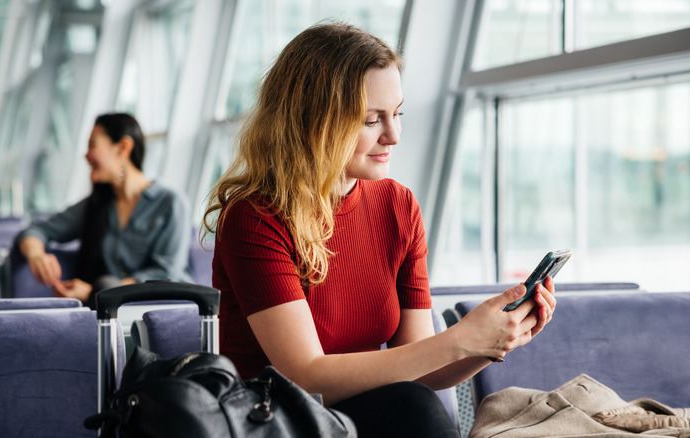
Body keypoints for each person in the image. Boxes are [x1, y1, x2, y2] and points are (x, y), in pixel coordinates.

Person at [202, 22, 557, 438]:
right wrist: (460, 338)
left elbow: (420, 367)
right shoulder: (255, 216)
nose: (394, 135)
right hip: (275, 420)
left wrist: (492, 342)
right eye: (372, 120)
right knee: (412, 408)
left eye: (398, 114)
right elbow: (306, 378)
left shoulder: (398, 206)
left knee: (413, 403)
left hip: (362, 418)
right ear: (315, 120)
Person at [15, 113, 192, 307]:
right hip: (117, 316)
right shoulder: (96, 205)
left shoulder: (172, 202)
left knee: (104, 283)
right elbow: (33, 231)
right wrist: (37, 256)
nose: (86, 155)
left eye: (93, 144)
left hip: (168, 310)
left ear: (123, 147)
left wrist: (96, 292)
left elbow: (166, 274)